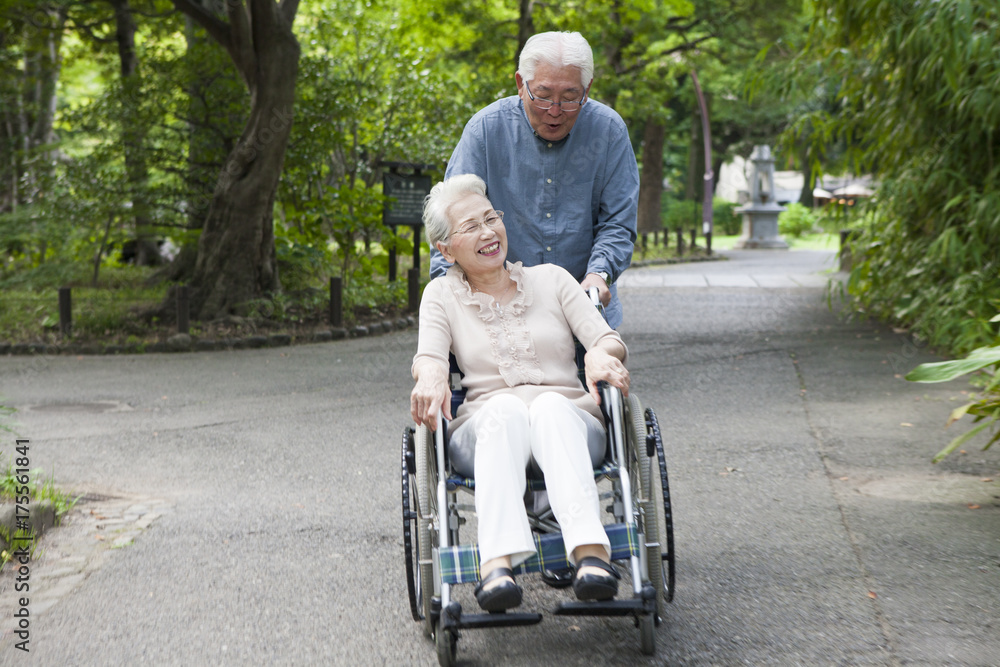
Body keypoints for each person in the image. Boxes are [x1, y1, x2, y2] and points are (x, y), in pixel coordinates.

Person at [411, 174, 631, 612]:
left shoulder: (553, 279)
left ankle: (592, 558)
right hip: (487, 430)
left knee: (550, 406)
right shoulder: (440, 295)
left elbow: (606, 338)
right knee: (506, 410)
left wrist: (599, 356)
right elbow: (430, 355)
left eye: (491, 218)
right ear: (445, 248)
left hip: (571, 422)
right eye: (470, 226)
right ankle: (497, 566)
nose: (488, 232)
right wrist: (431, 375)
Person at [433, 30, 639, 330]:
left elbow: (618, 222)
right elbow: (451, 220)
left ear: (587, 89)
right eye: (542, 96)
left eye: (570, 98)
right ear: (521, 84)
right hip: (495, 312)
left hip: (582, 308)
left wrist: (599, 273)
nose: (554, 111)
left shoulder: (608, 132)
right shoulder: (486, 131)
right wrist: (444, 300)